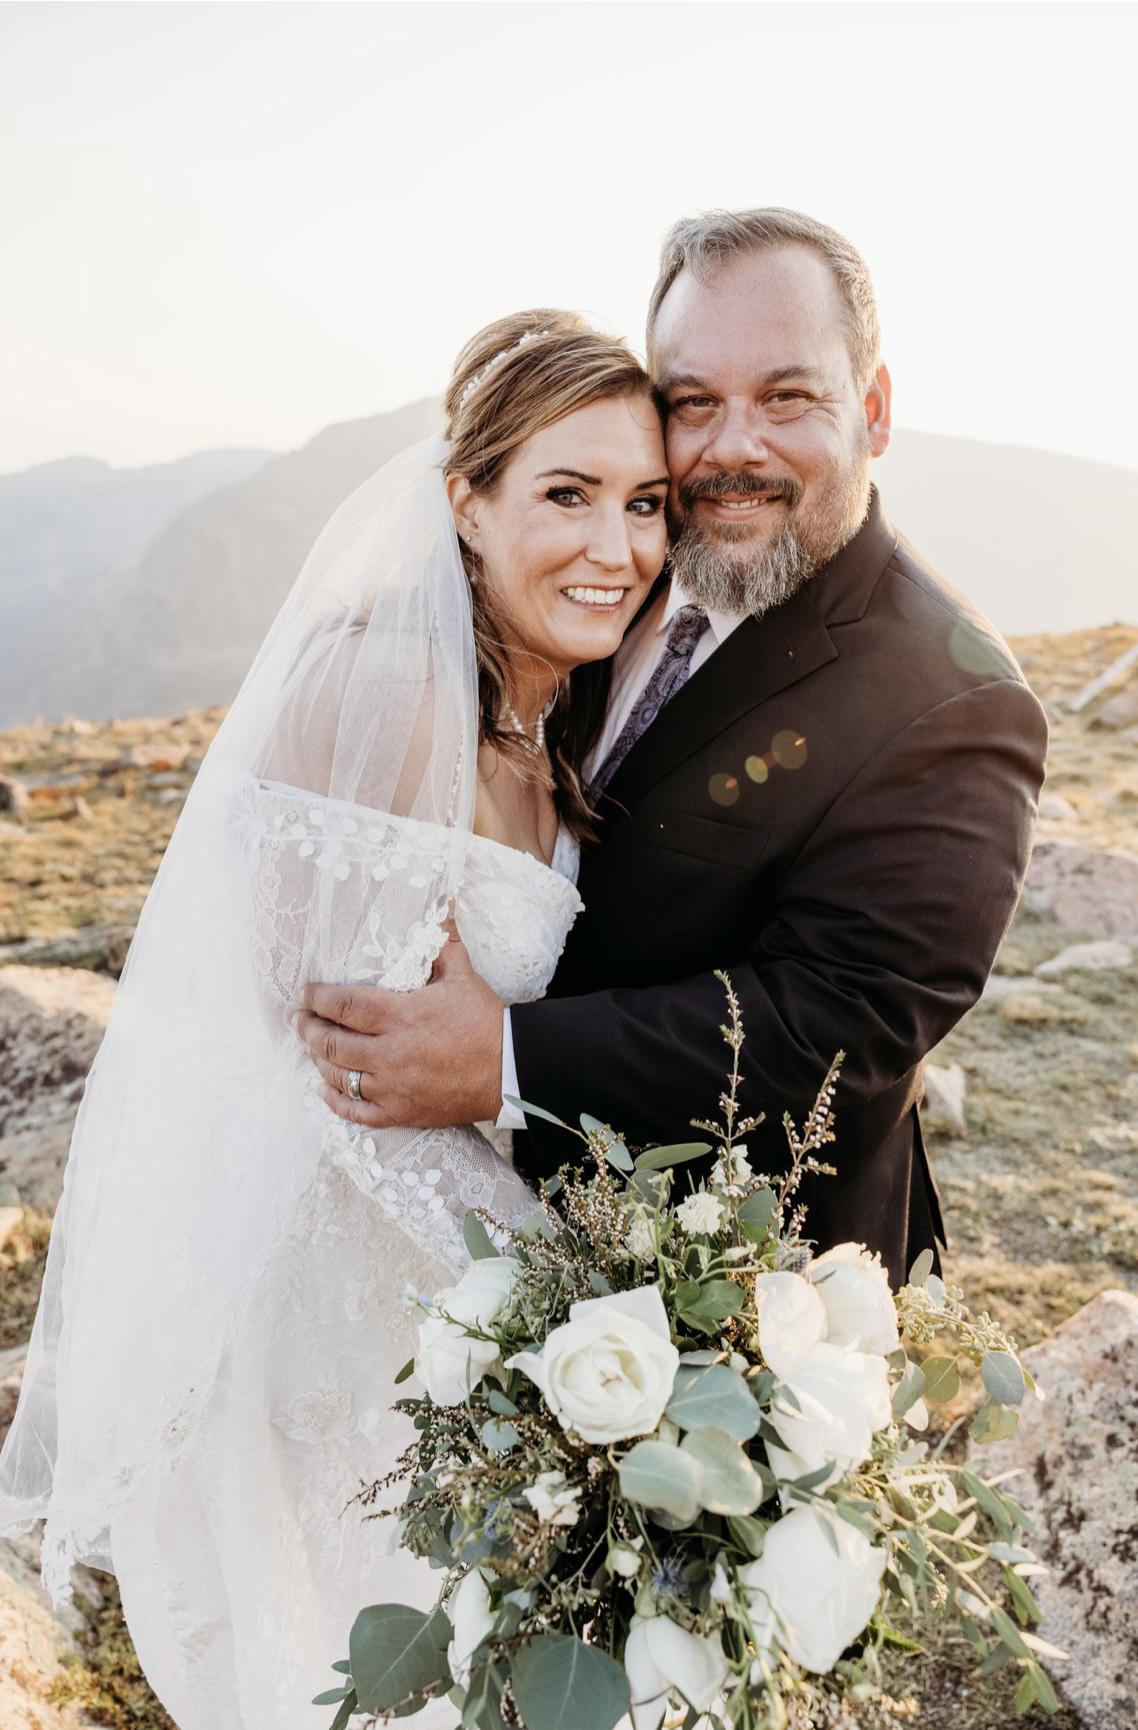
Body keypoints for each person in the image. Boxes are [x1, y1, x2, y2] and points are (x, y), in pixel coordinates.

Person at [0, 311, 669, 1729]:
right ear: (463, 502)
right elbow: (352, 1082)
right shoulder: (394, 687)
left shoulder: (535, 728)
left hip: (421, 1319)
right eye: (566, 493)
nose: (616, 544)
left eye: (645, 501)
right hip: (326, 1326)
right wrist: (572, 1307)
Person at [301, 208, 1050, 1290]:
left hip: (743, 1298)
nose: (730, 445)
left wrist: (500, 1060)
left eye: (785, 397)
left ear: (872, 409)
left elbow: (840, 1018)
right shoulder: (623, 552)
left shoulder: (952, 696)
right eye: (693, 401)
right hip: (493, 1246)